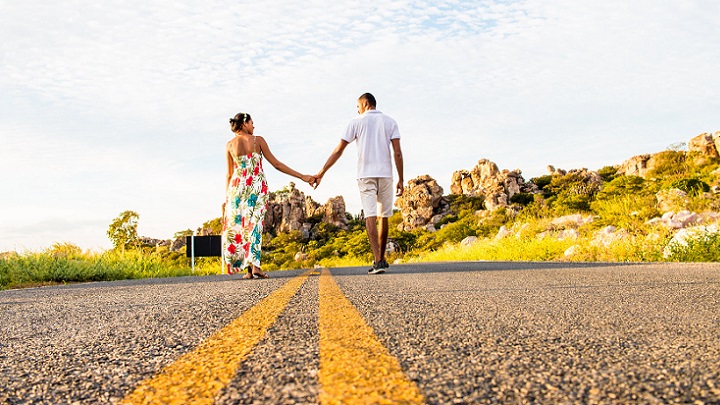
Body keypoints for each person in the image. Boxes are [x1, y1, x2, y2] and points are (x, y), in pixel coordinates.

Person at [315, 93, 404, 274]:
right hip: (386, 174)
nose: (357, 110)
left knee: (370, 215)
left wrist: (322, 172)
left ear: (365, 103)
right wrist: (401, 178)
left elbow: (338, 150)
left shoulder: (356, 122)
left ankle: (377, 259)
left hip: (365, 175)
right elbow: (398, 153)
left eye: (358, 106)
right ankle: (382, 259)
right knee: (384, 216)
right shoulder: (390, 122)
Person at [222, 112, 316, 279]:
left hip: (237, 188)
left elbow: (229, 175)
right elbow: (277, 165)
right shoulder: (258, 140)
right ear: (244, 123)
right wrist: (302, 176)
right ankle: (256, 267)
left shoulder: (229, 145)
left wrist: (226, 199)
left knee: (243, 226)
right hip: (256, 187)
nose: (254, 126)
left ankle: (248, 271)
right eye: (252, 123)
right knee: (255, 225)